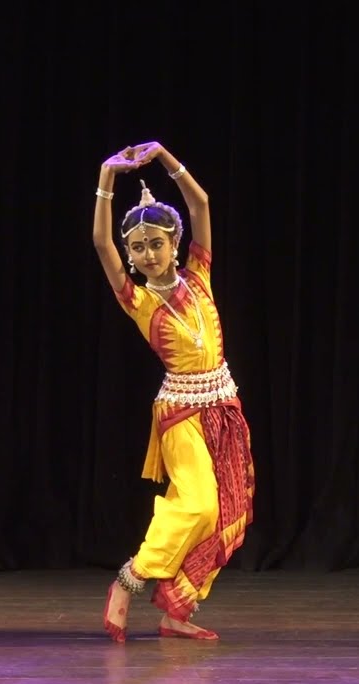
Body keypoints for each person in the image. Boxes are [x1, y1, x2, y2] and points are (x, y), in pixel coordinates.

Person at [91, 142, 256, 642]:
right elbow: (101, 244)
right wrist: (106, 177)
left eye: (156, 243)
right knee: (200, 505)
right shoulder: (138, 300)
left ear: (175, 243)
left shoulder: (200, 276)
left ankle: (177, 610)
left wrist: (166, 159)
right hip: (180, 413)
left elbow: (201, 204)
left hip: (224, 408)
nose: (147, 254)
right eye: (138, 248)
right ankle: (132, 578)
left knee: (229, 509)